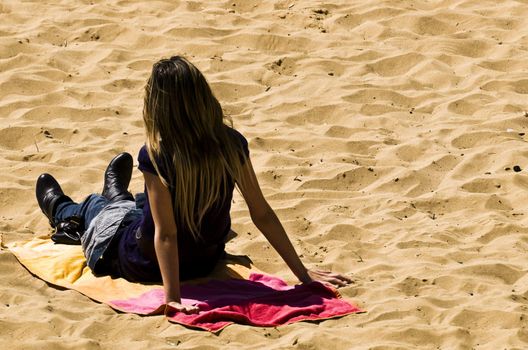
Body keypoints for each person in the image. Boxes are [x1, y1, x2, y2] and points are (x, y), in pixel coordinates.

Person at [35, 56, 352, 314]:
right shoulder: (232, 144)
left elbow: (167, 234)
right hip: (205, 258)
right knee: (136, 207)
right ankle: (115, 191)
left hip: (143, 263)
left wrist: (172, 297)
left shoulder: (157, 154)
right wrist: (302, 272)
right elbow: (262, 213)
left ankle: (60, 207)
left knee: (99, 211)